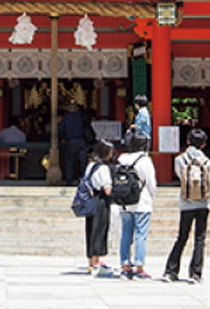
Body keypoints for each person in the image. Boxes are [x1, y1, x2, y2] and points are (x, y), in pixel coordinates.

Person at [165, 128, 210, 283]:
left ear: (187, 141)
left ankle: (171, 271)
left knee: (182, 237)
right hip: (203, 203)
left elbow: (181, 178)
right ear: (204, 144)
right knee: (200, 238)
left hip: (186, 203)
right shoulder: (207, 161)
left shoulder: (180, 159)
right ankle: (195, 273)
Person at [115, 130, 157, 279]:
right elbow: (151, 184)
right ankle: (139, 266)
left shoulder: (122, 159)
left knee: (125, 234)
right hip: (142, 202)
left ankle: (125, 265)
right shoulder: (145, 161)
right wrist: (151, 196)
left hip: (125, 202)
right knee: (141, 235)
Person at [81, 140, 114, 276]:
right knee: (100, 229)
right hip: (100, 200)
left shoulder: (91, 165)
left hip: (90, 199)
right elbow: (107, 189)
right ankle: (96, 261)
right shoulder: (103, 168)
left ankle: (90, 261)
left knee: (90, 229)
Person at [57, 103, 92, 184]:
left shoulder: (66, 117)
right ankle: (85, 179)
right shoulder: (82, 116)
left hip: (71, 140)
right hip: (81, 140)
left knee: (70, 160)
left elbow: (60, 129)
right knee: (83, 160)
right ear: (77, 109)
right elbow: (87, 126)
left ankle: (69, 180)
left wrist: (64, 137)